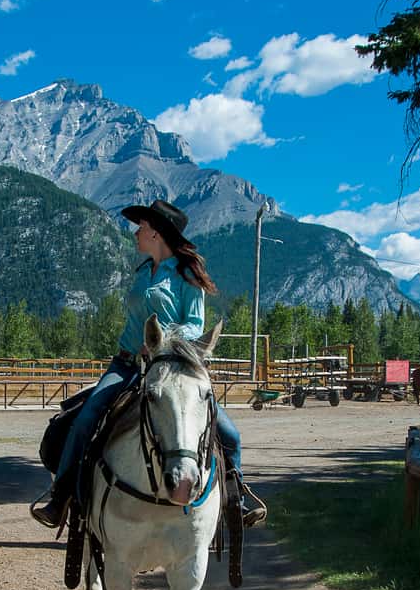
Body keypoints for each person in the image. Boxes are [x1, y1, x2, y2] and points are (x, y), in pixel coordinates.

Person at [31, 199, 266, 529]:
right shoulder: (143, 272)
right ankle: (62, 496)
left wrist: (161, 341)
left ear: (156, 233)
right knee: (85, 419)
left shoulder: (187, 276)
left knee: (229, 434)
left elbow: (195, 324)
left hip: (174, 367)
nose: (136, 232)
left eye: (141, 227)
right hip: (127, 363)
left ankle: (234, 502)